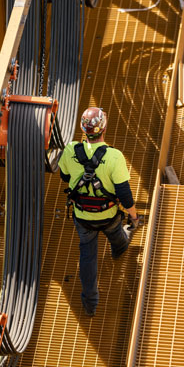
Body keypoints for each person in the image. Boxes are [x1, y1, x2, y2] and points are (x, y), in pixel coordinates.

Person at [58, 107, 143, 316]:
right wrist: (133, 217)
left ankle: (90, 303)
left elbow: (65, 177)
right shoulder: (114, 156)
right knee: (117, 235)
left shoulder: (70, 150)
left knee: (87, 256)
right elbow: (124, 193)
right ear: (104, 128)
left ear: (83, 129)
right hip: (108, 215)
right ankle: (119, 250)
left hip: (83, 217)